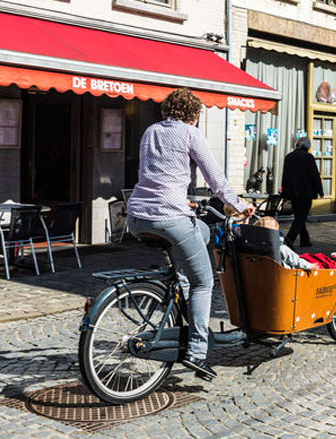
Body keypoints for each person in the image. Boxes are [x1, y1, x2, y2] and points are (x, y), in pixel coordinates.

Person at [127, 88, 254, 380]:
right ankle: (197, 353)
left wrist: (182, 198)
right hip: (169, 216)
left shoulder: (150, 131)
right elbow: (216, 180)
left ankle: (181, 294)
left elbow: (152, 173)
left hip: (137, 216)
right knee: (203, 281)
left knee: (199, 234)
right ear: (194, 115)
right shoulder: (190, 134)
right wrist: (239, 206)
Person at [280, 137, 323, 248]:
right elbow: (314, 175)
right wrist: (320, 190)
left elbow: (285, 176)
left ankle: (305, 240)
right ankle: (289, 239)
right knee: (300, 217)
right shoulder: (308, 157)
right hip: (306, 193)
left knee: (299, 216)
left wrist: (284, 193)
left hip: (292, 193)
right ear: (307, 146)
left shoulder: (289, 157)